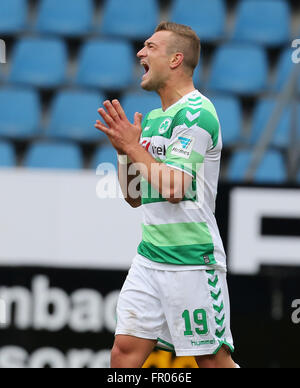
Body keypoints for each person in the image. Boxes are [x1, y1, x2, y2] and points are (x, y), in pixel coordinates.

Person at [95, 22, 239, 369]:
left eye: (149, 47)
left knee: (212, 361)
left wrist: (133, 144)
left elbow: (175, 187)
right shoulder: (157, 120)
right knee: (123, 354)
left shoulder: (196, 113)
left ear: (176, 59)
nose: (140, 53)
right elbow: (134, 196)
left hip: (191, 259)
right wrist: (123, 151)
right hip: (150, 257)